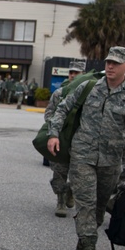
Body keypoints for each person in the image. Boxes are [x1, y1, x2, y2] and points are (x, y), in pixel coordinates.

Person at [47, 47, 125, 250]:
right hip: (82, 155)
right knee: (86, 203)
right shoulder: (88, 87)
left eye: (116, 63)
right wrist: (53, 134)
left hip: (111, 161)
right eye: (108, 62)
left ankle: (84, 240)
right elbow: (62, 109)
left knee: (99, 207)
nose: (110, 66)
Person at [43, 63, 83, 217]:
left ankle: (71, 191)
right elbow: (49, 113)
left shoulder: (87, 93)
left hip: (80, 140)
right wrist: (55, 128)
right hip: (61, 138)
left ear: (83, 73)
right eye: (71, 72)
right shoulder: (59, 93)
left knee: (78, 172)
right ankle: (60, 201)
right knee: (59, 171)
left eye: (76, 73)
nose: (73, 75)